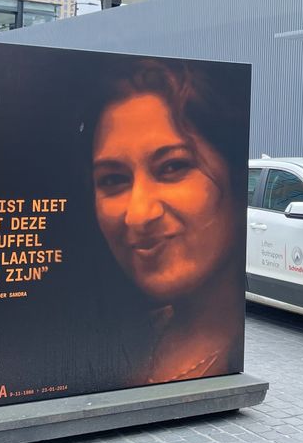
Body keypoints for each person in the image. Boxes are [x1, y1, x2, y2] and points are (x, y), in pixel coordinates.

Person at [88, 59, 245, 385]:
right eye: (114, 179)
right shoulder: (134, 335)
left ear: (234, 172)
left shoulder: (225, 355)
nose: (138, 214)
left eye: (172, 167)